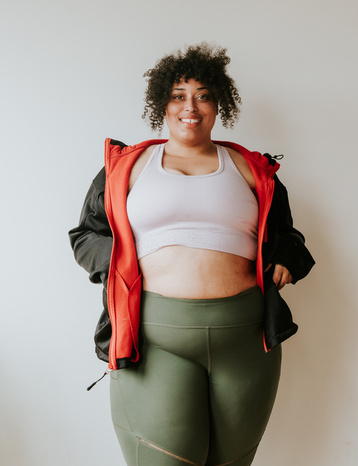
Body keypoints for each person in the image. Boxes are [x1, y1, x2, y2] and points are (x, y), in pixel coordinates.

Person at [68, 43, 314, 466]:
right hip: (154, 338)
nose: (191, 106)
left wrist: (287, 261)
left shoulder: (251, 168)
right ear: (162, 103)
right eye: (179, 95)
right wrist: (121, 264)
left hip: (247, 338)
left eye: (203, 95)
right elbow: (87, 235)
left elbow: (289, 237)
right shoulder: (127, 167)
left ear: (219, 104)